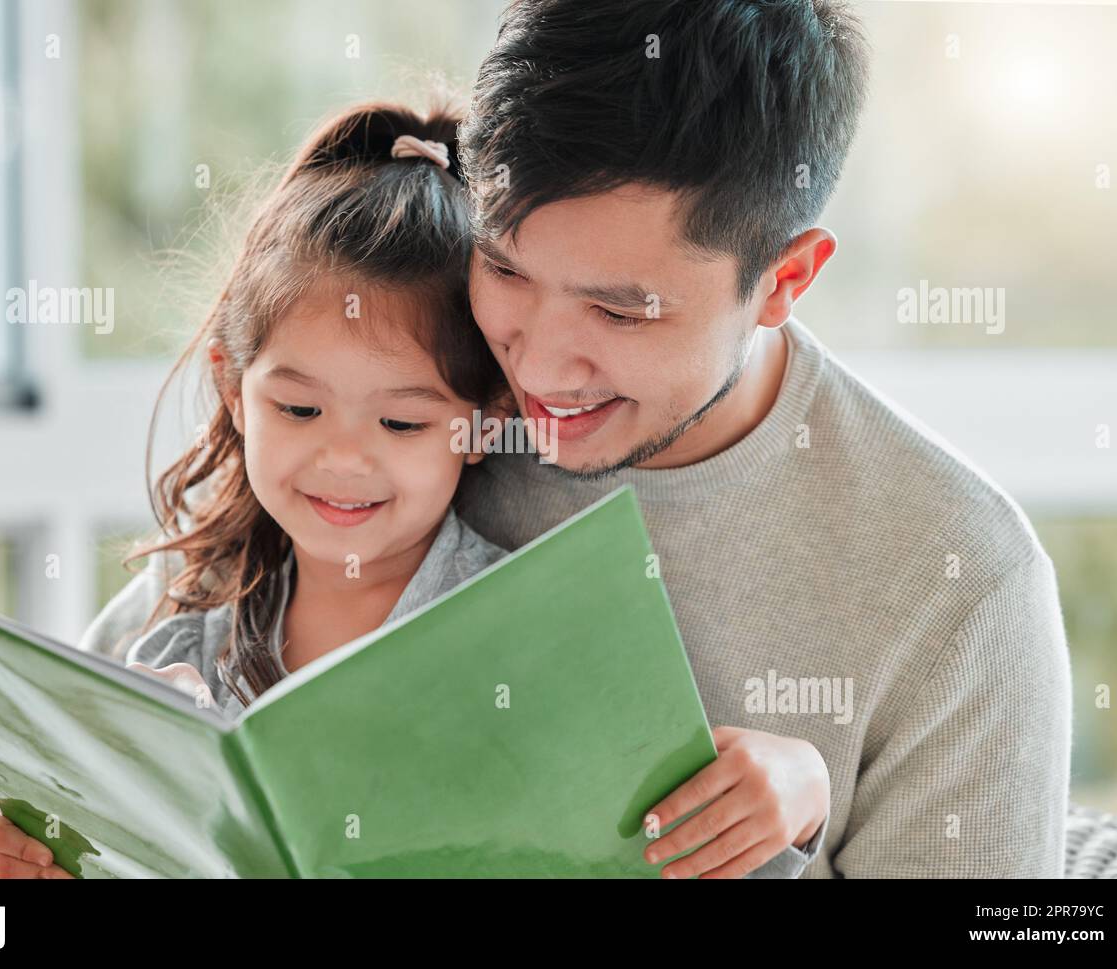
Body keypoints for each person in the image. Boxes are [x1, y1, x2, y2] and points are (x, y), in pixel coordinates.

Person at [451, 0, 1071, 877]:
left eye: (621, 310)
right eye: (505, 268)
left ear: (784, 281)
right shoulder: (410, 394)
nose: (541, 368)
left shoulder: (962, 582)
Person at [0, 102, 517, 878]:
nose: (344, 459)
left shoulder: (518, 623)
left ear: (485, 425)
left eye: (400, 423)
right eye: (298, 409)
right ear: (231, 390)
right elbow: (21, 749)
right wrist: (8, 825)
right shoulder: (195, 610)